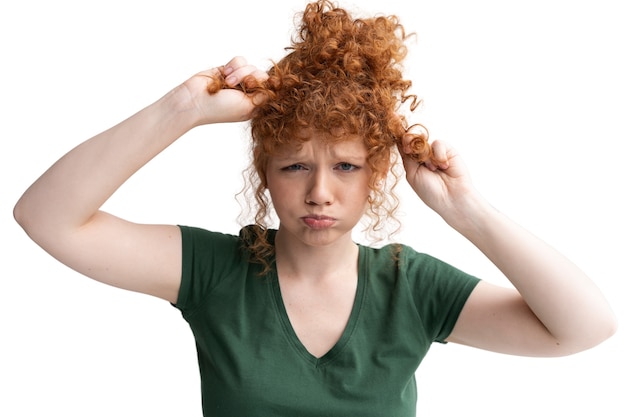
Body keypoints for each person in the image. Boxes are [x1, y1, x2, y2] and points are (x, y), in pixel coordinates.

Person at [13, 1, 617, 416]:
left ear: (376, 174)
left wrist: (468, 211)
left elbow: (585, 328)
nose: (320, 192)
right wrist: (184, 109)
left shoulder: (411, 289)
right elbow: (47, 217)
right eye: (296, 165)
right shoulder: (216, 271)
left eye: (346, 166)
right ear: (266, 175)